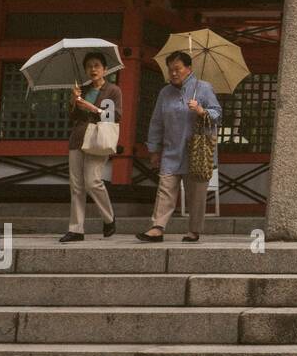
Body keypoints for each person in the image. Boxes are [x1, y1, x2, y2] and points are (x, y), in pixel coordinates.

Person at [139, 50, 222, 243]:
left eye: (177, 69)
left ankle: (193, 230)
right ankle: (157, 227)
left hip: (197, 151)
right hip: (171, 150)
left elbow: (218, 114)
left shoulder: (203, 88)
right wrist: (154, 149)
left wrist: (201, 110)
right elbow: (156, 122)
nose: (173, 73)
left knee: (196, 194)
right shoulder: (165, 93)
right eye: (170, 70)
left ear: (188, 69)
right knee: (165, 188)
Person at [60, 51, 121, 243]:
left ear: (105, 69)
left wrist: (93, 108)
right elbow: (72, 118)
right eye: (89, 66)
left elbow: (114, 116)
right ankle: (76, 229)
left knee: (92, 182)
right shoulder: (82, 90)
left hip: (97, 138)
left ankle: (109, 218)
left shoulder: (112, 90)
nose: (93, 69)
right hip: (78, 138)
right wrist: (73, 100)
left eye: (96, 65)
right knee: (76, 186)